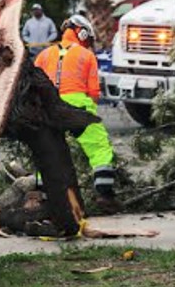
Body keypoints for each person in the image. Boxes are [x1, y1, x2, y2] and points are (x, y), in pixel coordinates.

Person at [33, 14, 118, 205]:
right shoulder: (87, 56)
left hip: (48, 105)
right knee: (98, 146)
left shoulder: (43, 55)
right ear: (82, 32)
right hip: (78, 104)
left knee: (47, 148)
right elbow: (94, 92)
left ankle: (43, 194)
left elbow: (32, 84)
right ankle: (104, 195)